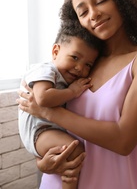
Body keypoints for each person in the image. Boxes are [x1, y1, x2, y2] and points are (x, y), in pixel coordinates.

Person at [17, 0, 137, 189]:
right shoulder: (82, 64)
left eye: (101, 1)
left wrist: (48, 110)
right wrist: (43, 164)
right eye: (83, 11)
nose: (94, 14)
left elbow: (123, 140)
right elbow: (46, 129)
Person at [18, 21, 102, 189]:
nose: (79, 68)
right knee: (74, 152)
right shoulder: (45, 70)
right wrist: (72, 92)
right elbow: (42, 99)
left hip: (48, 128)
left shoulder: (65, 76)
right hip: (40, 131)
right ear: (55, 51)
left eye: (88, 65)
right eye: (75, 57)